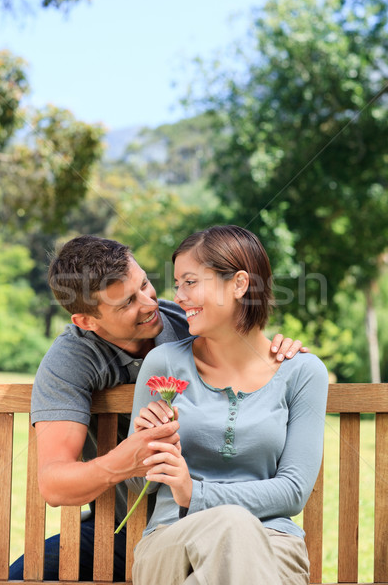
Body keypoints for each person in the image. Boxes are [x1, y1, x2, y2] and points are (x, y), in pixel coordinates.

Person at [9, 234, 307, 581]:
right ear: (87, 322)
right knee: (20, 577)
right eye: (126, 304)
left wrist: (279, 348)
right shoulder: (69, 362)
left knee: (230, 539)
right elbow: (54, 483)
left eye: (145, 285)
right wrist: (124, 461)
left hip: (229, 519)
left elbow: (247, 347)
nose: (150, 304)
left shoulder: (186, 321)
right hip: (128, 530)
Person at [127, 225, 329, 585]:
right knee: (231, 524)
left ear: (238, 284)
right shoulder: (164, 365)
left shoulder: (302, 372)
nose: (179, 296)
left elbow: (293, 491)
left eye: (190, 282)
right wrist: (146, 446)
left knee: (233, 530)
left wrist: (195, 493)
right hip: (173, 543)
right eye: (177, 285)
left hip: (272, 547)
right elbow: (139, 484)